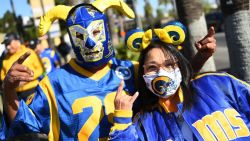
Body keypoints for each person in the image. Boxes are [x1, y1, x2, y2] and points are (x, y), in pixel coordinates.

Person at [0, 2, 216, 141]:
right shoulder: (53, 83)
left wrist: (201, 57)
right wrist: (8, 90)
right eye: (80, 36)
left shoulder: (130, 70)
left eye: (96, 31)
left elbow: (171, 83)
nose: (91, 42)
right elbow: (23, 127)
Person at [109, 23, 250, 141]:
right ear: (143, 74)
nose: (161, 73)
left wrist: (200, 58)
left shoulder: (217, 84)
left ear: (179, 66)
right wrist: (122, 121)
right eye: (152, 67)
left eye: (169, 64)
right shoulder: (144, 122)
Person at [0, 32, 45, 99]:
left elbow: (41, 69)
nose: (8, 47)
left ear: (17, 41)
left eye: (9, 43)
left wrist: (26, 78)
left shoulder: (29, 52)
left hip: (33, 90)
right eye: (6, 44)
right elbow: (2, 76)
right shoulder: (5, 59)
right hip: (16, 95)